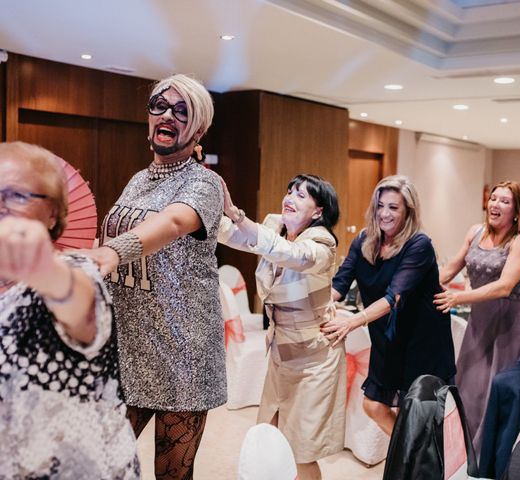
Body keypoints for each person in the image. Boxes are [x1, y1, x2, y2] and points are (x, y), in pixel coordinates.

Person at [82, 74, 224, 479]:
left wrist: (113, 251)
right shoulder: (137, 181)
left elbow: (175, 221)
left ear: (198, 129)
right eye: (159, 106)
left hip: (184, 354)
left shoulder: (204, 183)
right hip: (129, 348)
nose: (167, 115)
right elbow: (115, 237)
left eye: (182, 111)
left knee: (172, 475)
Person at [0, 142, 139, 478]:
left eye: (16, 195)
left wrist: (43, 270)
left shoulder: (74, 270)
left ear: (53, 214)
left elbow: (80, 306)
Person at [218, 174, 345, 480]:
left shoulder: (322, 244)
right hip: (281, 353)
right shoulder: (277, 228)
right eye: (289, 191)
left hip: (314, 360)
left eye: (301, 195)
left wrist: (235, 212)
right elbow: (232, 235)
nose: (290, 197)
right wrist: (204, 206)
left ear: (318, 212)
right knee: (270, 439)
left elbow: (292, 256)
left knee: (298, 450)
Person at [324, 175, 455, 437]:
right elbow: (339, 284)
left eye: (393, 207)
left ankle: (411, 462)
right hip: (387, 338)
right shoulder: (364, 240)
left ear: (408, 211)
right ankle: (409, 458)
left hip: (422, 343)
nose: (384, 213)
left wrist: (351, 321)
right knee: (374, 405)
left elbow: (394, 297)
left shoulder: (419, 244)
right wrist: (310, 306)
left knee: (415, 414)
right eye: (380, 205)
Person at [434, 180, 520, 450]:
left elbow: (504, 287)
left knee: (498, 390)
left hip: (509, 324)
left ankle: (494, 457)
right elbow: (449, 271)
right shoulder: (475, 231)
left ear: (517, 211)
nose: (495, 204)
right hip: (480, 322)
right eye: (494, 198)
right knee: (469, 387)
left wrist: (458, 297)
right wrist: (416, 286)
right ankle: (465, 453)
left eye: (505, 201)